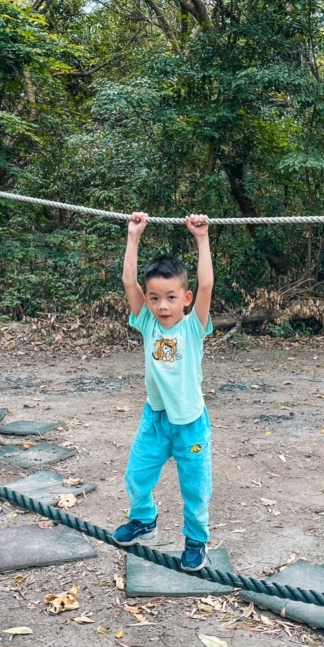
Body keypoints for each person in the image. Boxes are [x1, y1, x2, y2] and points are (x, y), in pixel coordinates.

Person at [111, 211, 214, 572]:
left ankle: (196, 540)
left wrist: (201, 238)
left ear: (184, 299)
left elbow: (205, 286)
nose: (162, 306)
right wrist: (133, 236)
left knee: (195, 488)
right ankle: (144, 520)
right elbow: (128, 283)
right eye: (155, 298)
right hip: (155, 419)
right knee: (136, 476)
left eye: (170, 298)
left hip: (190, 423)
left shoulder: (193, 327)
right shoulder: (147, 322)